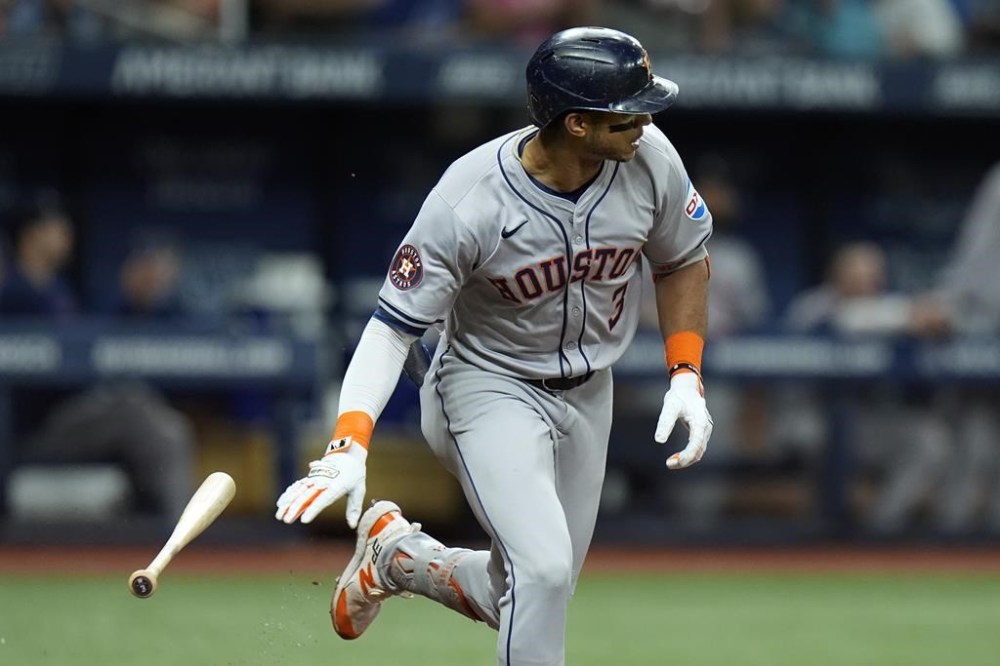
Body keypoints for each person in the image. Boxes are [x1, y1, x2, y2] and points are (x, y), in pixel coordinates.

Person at [276, 27, 714, 664]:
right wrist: (349, 441)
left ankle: (397, 557)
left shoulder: (651, 159)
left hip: (591, 391)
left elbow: (683, 261)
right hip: (487, 386)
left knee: (536, 587)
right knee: (542, 571)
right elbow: (392, 326)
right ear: (577, 124)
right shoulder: (470, 197)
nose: (645, 120)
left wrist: (685, 372)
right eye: (628, 110)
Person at [1, 198, 196, 523]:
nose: (66, 234)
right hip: (36, 425)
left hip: (78, 414)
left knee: (144, 408)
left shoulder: (58, 288)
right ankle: (177, 529)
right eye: (56, 227)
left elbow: (92, 345)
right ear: (32, 235)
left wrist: (132, 300)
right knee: (138, 414)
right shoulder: (14, 291)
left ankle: (155, 521)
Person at [780, 242, 951, 534]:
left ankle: (879, 529)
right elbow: (836, 321)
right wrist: (904, 318)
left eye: (872, 277)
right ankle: (821, 524)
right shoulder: (813, 306)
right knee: (821, 430)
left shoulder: (889, 307)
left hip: (867, 420)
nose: (866, 285)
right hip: (810, 415)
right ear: (837, 276)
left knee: (929, 440)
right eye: (857, 277)